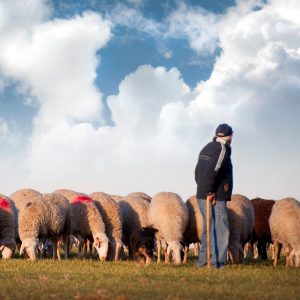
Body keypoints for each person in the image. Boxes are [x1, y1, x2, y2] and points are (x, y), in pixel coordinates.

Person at [195, 123, 233, 269]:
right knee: (220, 229)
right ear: (230, 136)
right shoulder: (221, 149)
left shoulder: (207, 147)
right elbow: (213, 170)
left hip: (202, 194)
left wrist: (202, 189)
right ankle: (218, 263)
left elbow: (197, 172)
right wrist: (210, 192)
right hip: (215, 196)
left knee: (208, 228)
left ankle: (203, 262)